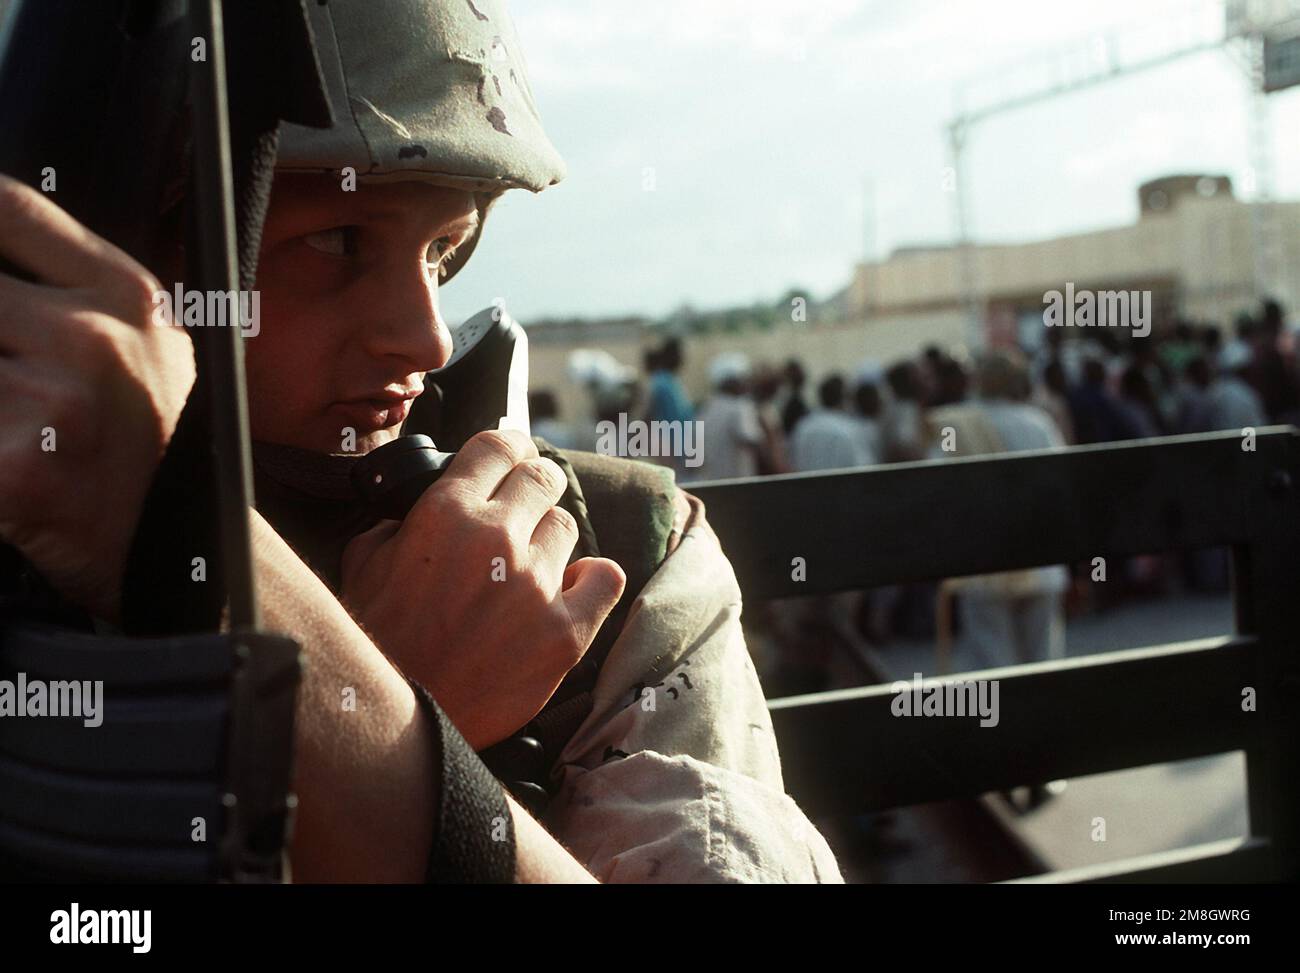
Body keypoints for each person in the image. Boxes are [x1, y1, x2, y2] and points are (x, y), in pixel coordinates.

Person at [0, 0, 841, 883]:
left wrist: (362, 723)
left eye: (446, 247)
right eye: (338, 239)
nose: (428, 338)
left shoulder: (622, 554)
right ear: (128, 248)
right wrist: (393, 713)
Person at [688, 352, 766, 482]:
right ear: (731, 382)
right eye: (742, 379)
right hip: (739, 484)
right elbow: (754, 443)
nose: (746, 383)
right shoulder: (739, 407)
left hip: (712, 485)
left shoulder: (704, 410)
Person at [789, 374, 875, 472]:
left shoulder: (802, 426)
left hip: (805, 485)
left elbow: (793, 463)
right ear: (844, 398)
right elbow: (864, 468)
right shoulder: (851, 429)